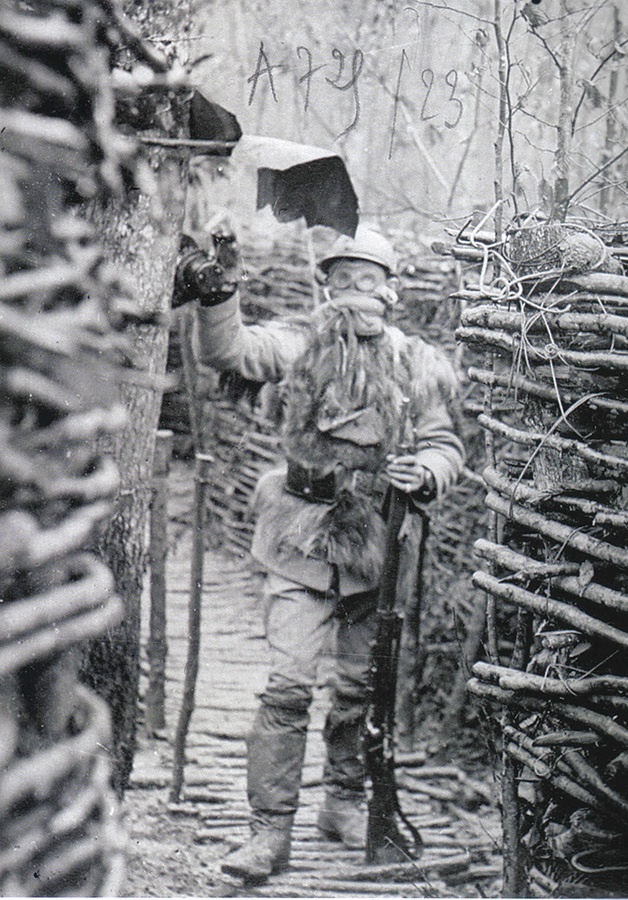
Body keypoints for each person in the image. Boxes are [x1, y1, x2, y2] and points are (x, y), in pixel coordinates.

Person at [178, 225, 465, 883]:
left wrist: (424, 472)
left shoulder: (413, 362)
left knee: (360, 687)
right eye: (343, 279)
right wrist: (220, 295)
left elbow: (445, 444)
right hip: (298, 537)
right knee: (289, 684)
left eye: (368, 280)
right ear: (325, 285)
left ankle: (342, 803)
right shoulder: (301, 342)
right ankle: (268, 832)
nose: (355, 292)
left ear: (390, 291)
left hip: (376, 548)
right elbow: (233, 352)